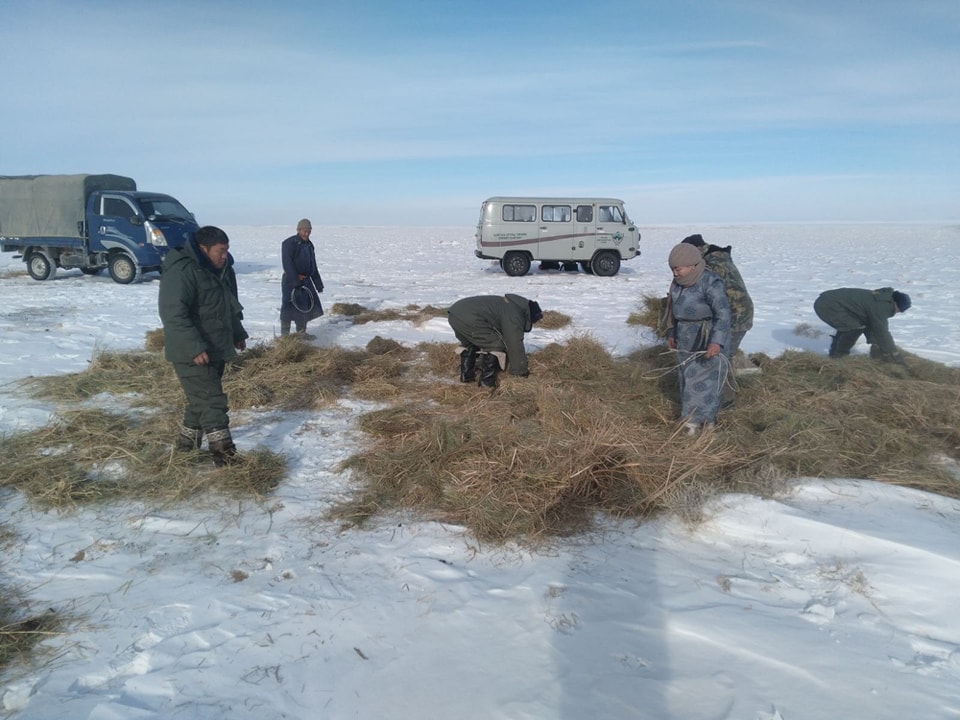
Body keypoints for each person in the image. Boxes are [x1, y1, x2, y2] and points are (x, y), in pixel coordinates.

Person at [158, 225, 248, 466]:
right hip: (191, 352)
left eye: (227, 250)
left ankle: (185, 448)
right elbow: (173, 313)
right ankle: (224, 454)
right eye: (220, 250)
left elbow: (229, 305)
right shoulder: (182, 271)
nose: (224, 255)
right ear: (202, 248)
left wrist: (237, 333)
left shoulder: (222, 270)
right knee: (212, 401)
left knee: (200, 401)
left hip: (216, 346)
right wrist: (194, 347)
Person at [663, 243, 732, 435]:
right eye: (672, 269)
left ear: (693, 265)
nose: (675, 273)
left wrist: (716, 341)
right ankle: (703, 421)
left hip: (706, 336)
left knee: (702, 380)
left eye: (678, 268)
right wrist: (672, 333)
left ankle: (693, 423)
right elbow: (673, 311)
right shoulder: (678, 284)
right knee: (686, 378)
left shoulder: (711, 282)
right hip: (685, 337)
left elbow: (724, 314)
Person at [681, 233, 755, 408]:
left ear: (697, 249)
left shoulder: (711, 264)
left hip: (734, 317)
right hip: (740, 313)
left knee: (719, 359)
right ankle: (727, 394)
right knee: (723, 357)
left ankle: (726, 402)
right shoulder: (717, 257)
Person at [447, 294, 544, 387]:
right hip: (469, 317)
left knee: (470, 343)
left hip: (454, 313)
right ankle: (486, 384)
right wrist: (520, 371)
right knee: (496, 344)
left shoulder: (509, 305)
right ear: (529, 316)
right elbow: (514, 343)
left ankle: (466, 377)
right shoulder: (514, 314)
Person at [813, 287, 911, 361]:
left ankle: (835, 353)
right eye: (900, 310)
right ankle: (839, 357)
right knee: (854, 328)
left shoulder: (883, 299)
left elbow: (871, 323)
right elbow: (881, 330)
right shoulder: (881, 306)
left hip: (833, 303)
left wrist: (875, 344)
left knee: (852, 325)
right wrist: (893, 352)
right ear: (896, 304)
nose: (898, 312)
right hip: (827, 305)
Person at [280, 218, 324, 339]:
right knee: (288, 308)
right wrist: (295, 281)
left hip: (306, 281)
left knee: (304, 308)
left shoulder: (309, 245)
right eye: (304, 231)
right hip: (290, 281)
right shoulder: (288, 243)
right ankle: (285, 337)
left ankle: (301, 333)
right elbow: (287, 264)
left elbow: (313, 265)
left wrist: (318, 283)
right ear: (298, 230)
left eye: (309, 231)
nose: (307, 234)